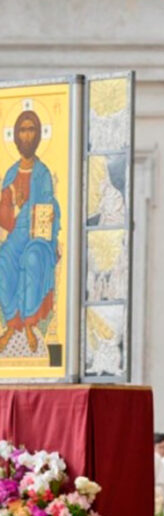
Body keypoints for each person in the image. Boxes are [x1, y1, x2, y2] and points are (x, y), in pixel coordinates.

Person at [0, 110, 61, 354]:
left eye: (31, 129)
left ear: (37, 136)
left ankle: (28, 324)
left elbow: (48, 208)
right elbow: (4, 217)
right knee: (3, 259)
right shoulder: (11, 174)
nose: (27, 135)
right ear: (15, 136)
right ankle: (12, 324)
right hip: (17, 234)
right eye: (23, 130)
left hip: (38, 237)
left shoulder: (43, 173)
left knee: (31, 259)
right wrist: (13, 205)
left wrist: (42, 230)